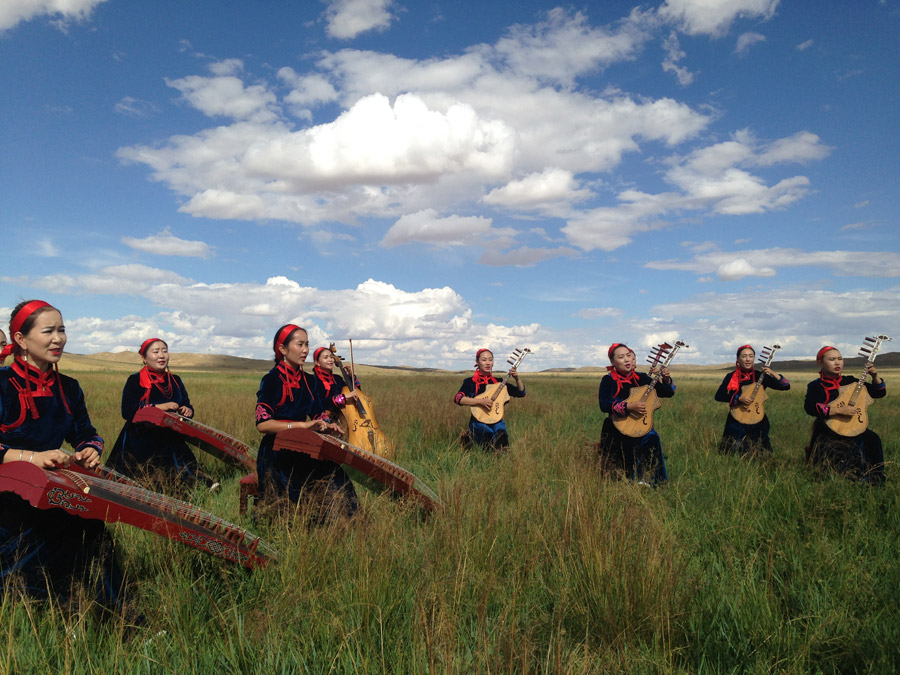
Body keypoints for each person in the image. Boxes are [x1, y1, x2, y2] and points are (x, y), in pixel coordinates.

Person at [0, 300, 125, 609]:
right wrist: (31, 457)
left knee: (90, 528)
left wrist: (89, 450)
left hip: (52, 490)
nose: (58, 339)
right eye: (48, 331)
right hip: (7, 499)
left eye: (62, 330)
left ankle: (114, 615)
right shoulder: (2, 385)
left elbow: (87, 433)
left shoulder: (69, 388)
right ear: (21, 339)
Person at [255, 325, 358, 518]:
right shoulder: (271, 380)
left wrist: (328, 424)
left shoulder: (309, 381)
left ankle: (348, 529)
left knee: (336, 478)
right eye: (299, 344)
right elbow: (263, 424)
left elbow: (318, 413)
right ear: (283, 349)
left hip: (303, 447)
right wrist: (303, 425)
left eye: (307, 344)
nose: (305, 350)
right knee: (295, 500)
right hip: (276, 452)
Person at [107, 338, 215, 492]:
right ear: (144, 358)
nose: (161, 355)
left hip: (171, 437)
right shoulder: (135, 380)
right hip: (140, 439)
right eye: (155, 351)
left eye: (164, 350)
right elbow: (128, 411)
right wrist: (159, 408)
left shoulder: (175, 380)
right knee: (140, 485)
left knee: (180, 484)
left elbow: (187, 404)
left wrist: (187, 410)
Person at [804, 345, 886, 484]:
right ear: (820, 363)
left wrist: (875, 376)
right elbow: (810, 407)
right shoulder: (815, 386)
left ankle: (876, 478)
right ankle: (851, 479)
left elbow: (879, 392)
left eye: (840, 359)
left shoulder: (851, 381)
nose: (837, 363)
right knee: (847, 446)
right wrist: (837, 410)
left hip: (852, 426)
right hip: (827, 430)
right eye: (832, 359)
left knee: (872, 438)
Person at [597, 343, 674, 485]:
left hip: (640, 424)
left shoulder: (642, 378)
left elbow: (666, 392)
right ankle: (626, 481)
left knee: (652, 437)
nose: (626, 360)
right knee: (618, 469)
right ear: (613, 362)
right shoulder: (608, 380)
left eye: (628, 355)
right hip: (616, 426)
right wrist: (629, 406)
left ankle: (652, 481)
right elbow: (604, 404)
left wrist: (667, 379)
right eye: (621, 357)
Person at [714, 344, 790, 455]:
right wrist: (739, 398)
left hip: (758, 418)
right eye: (744, 356)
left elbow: (785, 386)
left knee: (761, 452)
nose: (748, 359)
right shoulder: (731, 376)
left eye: (751, 356)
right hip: (736, 420)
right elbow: (719, 396)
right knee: (730, 451)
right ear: (738, 359)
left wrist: (772, 373)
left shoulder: (761, 375)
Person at [454, 348, 526, 450]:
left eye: (490, 359)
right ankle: (468, 438)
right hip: (479, 421)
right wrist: (480, 401)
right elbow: (458, 399)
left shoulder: (499, 382)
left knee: (501, 441)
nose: (488, 363)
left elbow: (521, 393)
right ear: (477, 362)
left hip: (497, 421)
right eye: (484, 360)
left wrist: (517, 379)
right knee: (486, 440)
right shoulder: (470, 382)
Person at [311, 346, 360, 419]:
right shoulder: (314, 381)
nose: (330, 360)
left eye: (331, 357)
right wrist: (344, 397)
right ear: (317, 362)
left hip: (342, 417)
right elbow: (322, 404)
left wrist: (351, 377)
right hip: (323, 421)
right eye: (325, 357)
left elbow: (356, 391)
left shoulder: (337, 379)